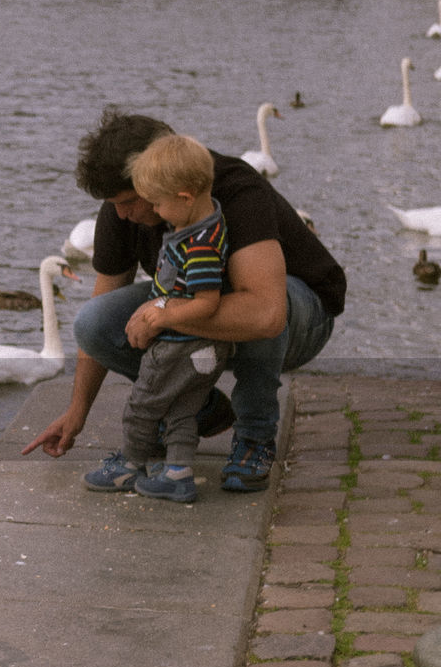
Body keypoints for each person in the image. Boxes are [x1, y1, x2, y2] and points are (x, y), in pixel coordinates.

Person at [23, 108, 346, 492]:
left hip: (300, 313)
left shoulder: (237, 189)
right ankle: (199, 408)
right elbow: (101, 316)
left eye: (128, 201)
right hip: (205, 306)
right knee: (93, 322)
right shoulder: (121, 209)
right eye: (114, 204)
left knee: (250, 306)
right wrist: (77, 414)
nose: (121, 214)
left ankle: (255, 435)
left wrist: (164, 312)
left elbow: (267, 315)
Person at [82, 134, 231, 503]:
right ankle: (177, 474)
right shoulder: (210, 225)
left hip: (180, 346)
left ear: (183, 198)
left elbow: (207, 302)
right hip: (206, 351)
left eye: (158, 204)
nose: (155, 212)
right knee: (183, 410)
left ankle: (130, 465)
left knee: (142, 406)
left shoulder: (197, 247)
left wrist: (161, 316)